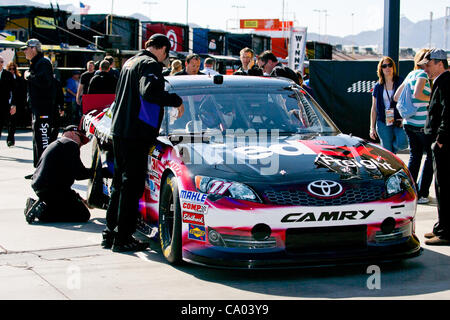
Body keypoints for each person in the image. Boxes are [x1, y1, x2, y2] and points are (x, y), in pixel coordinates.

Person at [104, 33, 184, 252]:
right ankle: (123, 238)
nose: (165, 59)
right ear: (163, 49)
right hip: (135, 135)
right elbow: (149, 91)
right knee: (132, 186)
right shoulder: (150, 64)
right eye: (166, 54)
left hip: (119, 131)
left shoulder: (131, 61)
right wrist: (175, 100)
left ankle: (110, 233)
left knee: (119, 184)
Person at [24, 125, 92, 224]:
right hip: (52, 189)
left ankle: (41, 205)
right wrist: (98, 172)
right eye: (80, 139)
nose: (81, 144)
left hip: (43, 186)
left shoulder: (56, 144)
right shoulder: (70, 144)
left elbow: (65, 182)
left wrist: (81, 200)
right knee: (82, 214)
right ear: (72, 133)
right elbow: (80, 174)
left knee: (72, 206)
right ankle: (42, 213)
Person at [417, 49, 450, 246]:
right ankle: (441, 226)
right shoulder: (442, 81)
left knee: (444, 188)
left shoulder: (446, 82)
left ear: (439, 63)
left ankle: (446, 232)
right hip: (441, 143)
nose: (425, 69)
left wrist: (441, 139)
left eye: (428, 65)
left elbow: (448, 112)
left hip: (444, 145)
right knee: (440, 187)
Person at [393, 49, 433, 204]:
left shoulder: (411, 74)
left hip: (408, 123)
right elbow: (417, 94)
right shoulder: (423, 75)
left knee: (414, 156)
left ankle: (411, 190)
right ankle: (423, 193)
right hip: (422, 124)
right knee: (430, 157)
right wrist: (433, 97)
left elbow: (396, 96)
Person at [21, 39, 58, 169]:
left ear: (34, 49)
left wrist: (29, 76)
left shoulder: (43, 62)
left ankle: (44, 169)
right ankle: (38, 169)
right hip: (38, 107)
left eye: (26, 49)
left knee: (43, 138)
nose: (24, 51)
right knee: (38, 138)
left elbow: (45, 82)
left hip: (43, 107)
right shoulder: (37, 62)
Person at [369, 56, 407, 154]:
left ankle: (389, 153)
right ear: (380, 69)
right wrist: (372, 128)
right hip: (383, 122)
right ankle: (389, 160)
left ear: (393, 67)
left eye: (390, 65)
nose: (387, 68)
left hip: (398, 119)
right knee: (387, 151)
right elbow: (373, 108)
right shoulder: (378, 86)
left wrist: (404, 118)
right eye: (384, 66)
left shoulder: (400, 82)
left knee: (403, 144)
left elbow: (407, 101)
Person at [6, 61, 27, 146]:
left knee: (12, 121)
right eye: (10, 69)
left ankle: (10, 139)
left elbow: (22, 91)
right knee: (7, 121)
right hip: (5, 102)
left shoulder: (19, 79)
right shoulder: (4, 78)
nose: (12, 70)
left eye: (13, 69)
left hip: (14, 103)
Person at [0, 57, 17, 147]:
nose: (1, 63)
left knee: (10, 122)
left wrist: (13, 104)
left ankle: (10, 139)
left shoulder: (8, 75)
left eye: (2, 62)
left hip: (5, 103)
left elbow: (14, 90)